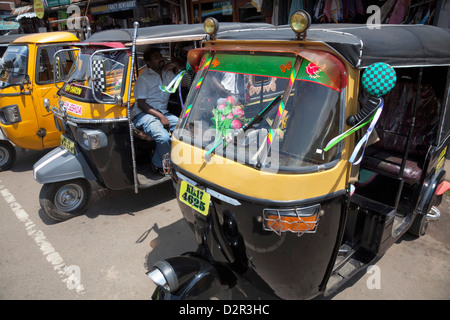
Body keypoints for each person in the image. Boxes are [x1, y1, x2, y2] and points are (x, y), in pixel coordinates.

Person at [132, 47, 182, 174]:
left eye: (161, 56)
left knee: (183, 130)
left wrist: (177, 67)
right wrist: (161, 117)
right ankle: (157, 164)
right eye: (156, 57)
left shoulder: (168, 74)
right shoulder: (143, 78)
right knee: (164, 138)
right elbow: (141, 104)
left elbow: (185, 84)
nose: (161, 59)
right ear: (149, 63)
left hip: (162, 112)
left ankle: (161, 156)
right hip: (143, 114)